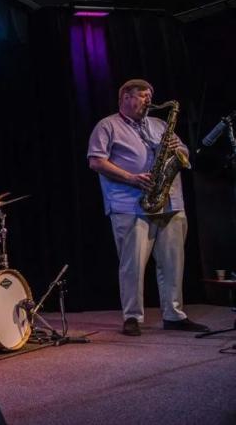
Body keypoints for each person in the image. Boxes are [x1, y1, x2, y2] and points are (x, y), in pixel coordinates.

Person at [87, 78, 209, 337]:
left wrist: (179, 150)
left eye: (150, 95)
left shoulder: (160, 125)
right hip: (130, 204)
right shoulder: (107, 125)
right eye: (143, 95)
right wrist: (131, 178)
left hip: (171, 202)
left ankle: (174, 315)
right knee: (132, 265)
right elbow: (96, 162)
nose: (148, 101)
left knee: (173, 262)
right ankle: (132, 317)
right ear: (125, 97)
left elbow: (184, 154)